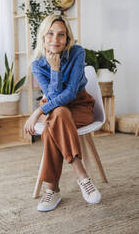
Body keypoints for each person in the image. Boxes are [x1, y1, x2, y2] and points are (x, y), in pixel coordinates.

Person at [24, 14, 101, 212]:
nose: (55, 40)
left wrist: (38, 111)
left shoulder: (77, 52)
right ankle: (82, 176)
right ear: (42, 36)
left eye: (61, 35)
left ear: (67, 38)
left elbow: (70, 93)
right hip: (55, 109)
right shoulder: (37, 64)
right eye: (50, 34)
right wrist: (54, 68)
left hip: (81, 107)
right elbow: (53, 96)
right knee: (59, 114)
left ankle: (53, 189)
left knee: (54, 123)